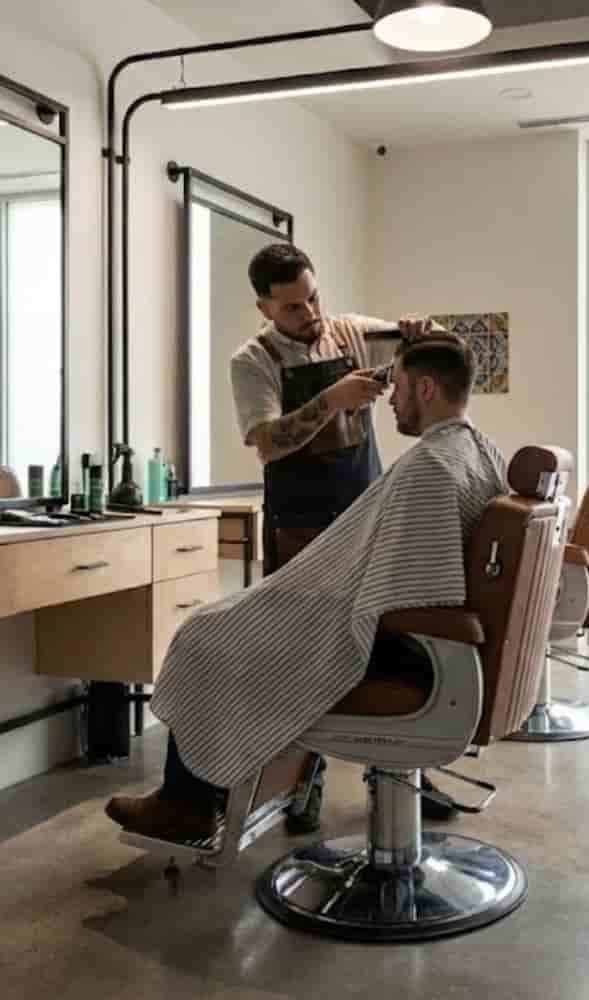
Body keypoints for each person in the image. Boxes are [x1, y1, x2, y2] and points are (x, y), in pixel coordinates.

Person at [107, 335, 505, 844]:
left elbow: (405, 591)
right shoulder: (480, 452)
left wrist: (312, 605)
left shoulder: (431, 465)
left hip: (406, 651)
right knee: (237, 623)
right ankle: (215, 793)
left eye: (400, 386)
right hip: (430, 644)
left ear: (426, 389)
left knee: (204, 634)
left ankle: (186, 804)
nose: (391, 399)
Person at [228, 243, 443, 832]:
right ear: (265, 308)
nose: (311, 314)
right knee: (304, 656)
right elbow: (267, 443)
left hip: (366, 515)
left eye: (313, 297)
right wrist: (332, 401)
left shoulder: (351, 332)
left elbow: (440, 349)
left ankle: (403, 771)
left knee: (386, 640)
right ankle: (304, 782)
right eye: (293, 307)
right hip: (300, 526)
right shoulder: (252, 362)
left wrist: (421, 332)